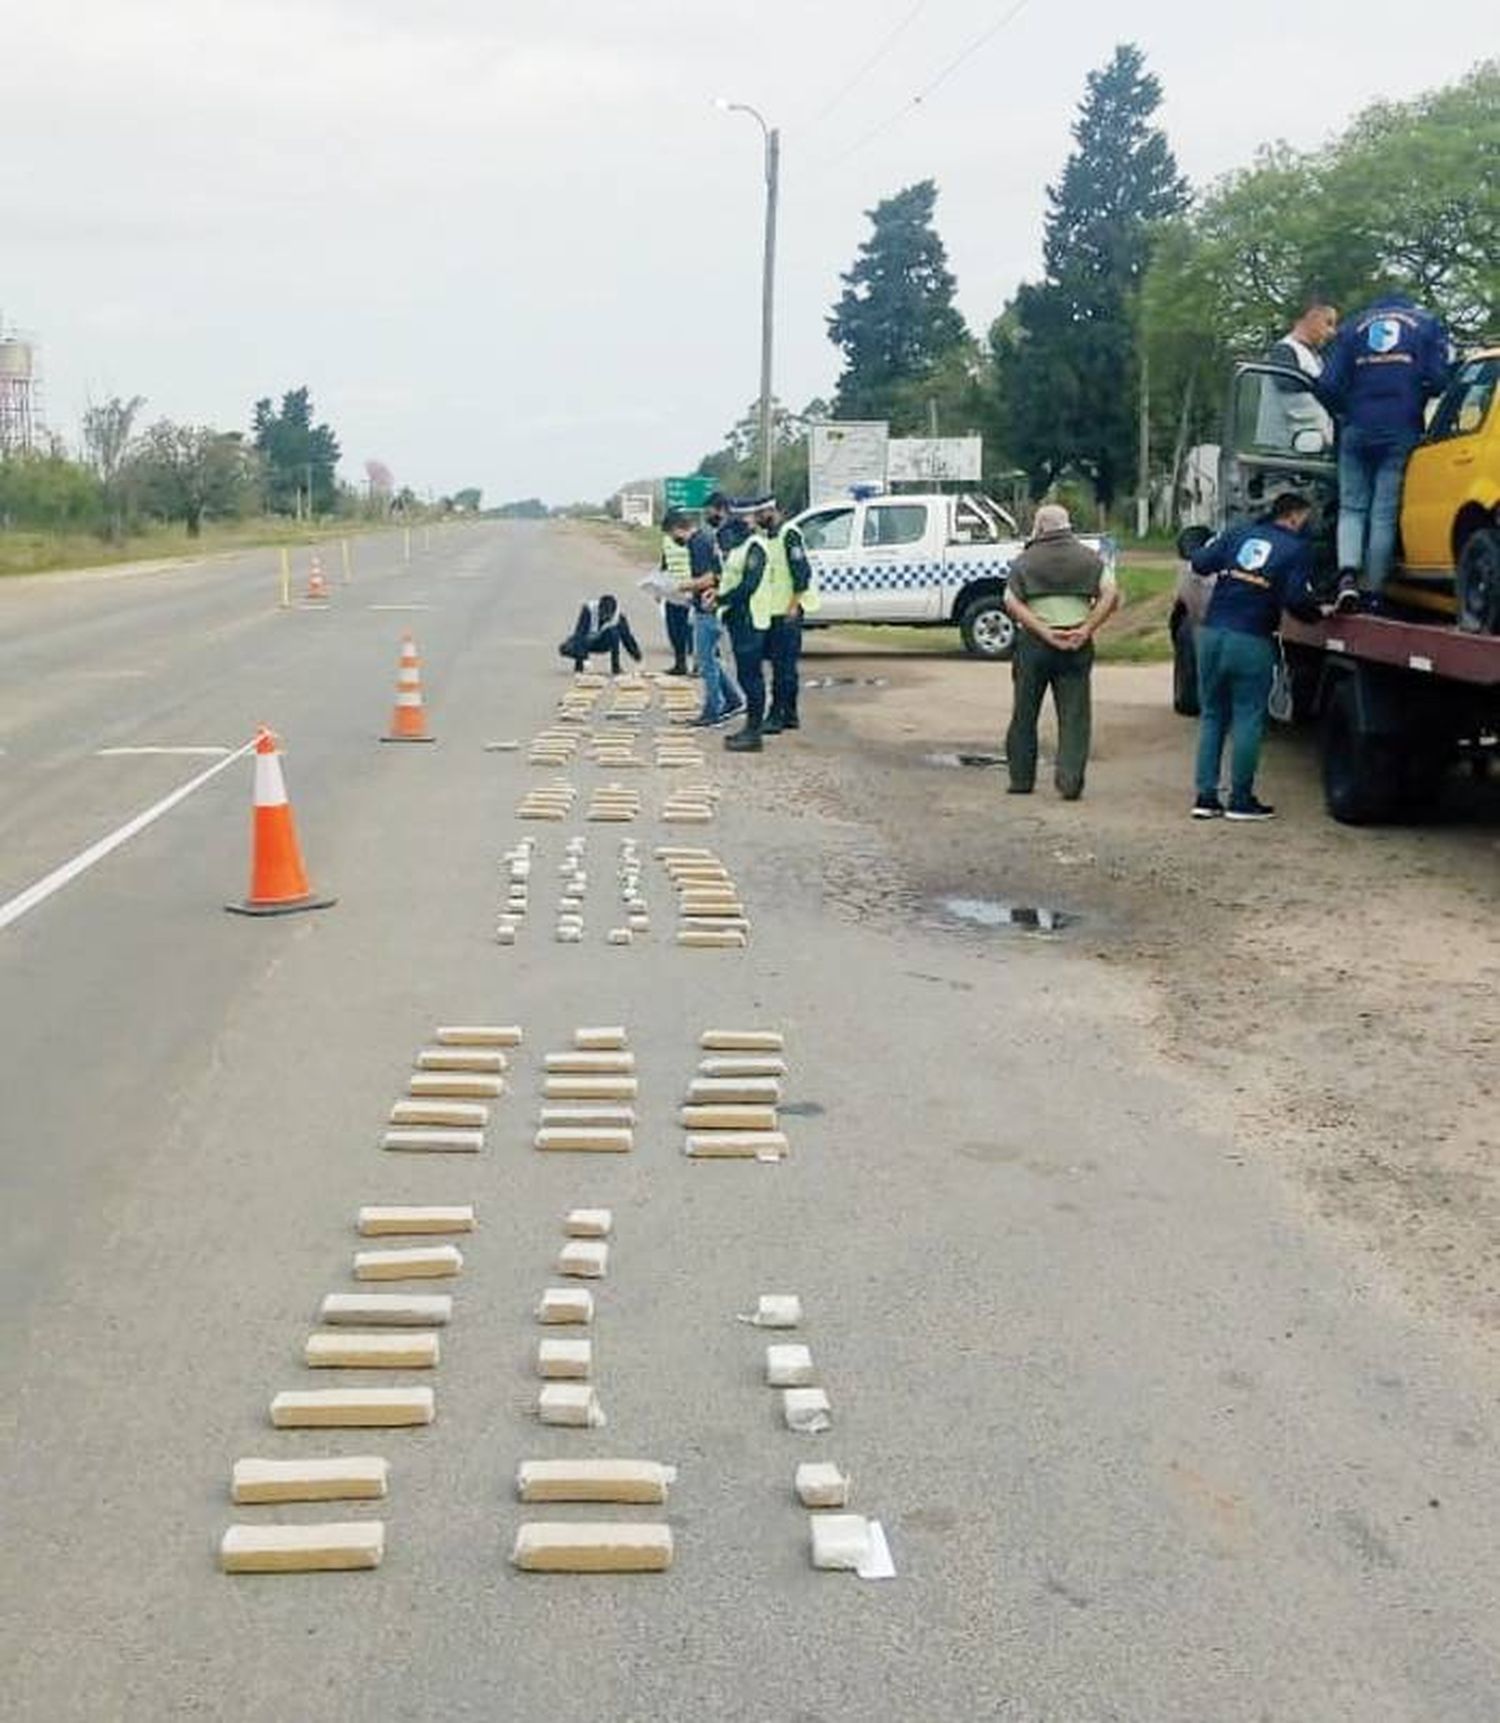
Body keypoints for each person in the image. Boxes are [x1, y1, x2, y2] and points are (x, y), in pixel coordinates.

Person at [1318, 289, 1450, 611]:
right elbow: (1438, 379)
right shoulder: (1427, 324)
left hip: (1357, 427)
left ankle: (1347, 576)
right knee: (1383, 513)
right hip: (1401, 425)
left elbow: (1328, 384)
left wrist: (1347, 411)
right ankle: (1373, 592)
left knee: (1352, 507)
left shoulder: (1352, 327)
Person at [1187, 492, 1316, 821]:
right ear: (1294, 516)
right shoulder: (1297, 549)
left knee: (1213, 715)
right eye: (1306, 517)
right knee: (1247, 717)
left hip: (1212, 634)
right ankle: (1241, 800)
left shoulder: (1239, 533)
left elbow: (1201, 562)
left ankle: (1205, 797)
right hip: (1251, 638)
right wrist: (1321, 611)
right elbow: (1296, 600)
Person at [1000, 503, 1119, 801]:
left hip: (1035, 645)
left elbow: (1011, 602)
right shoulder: (1090, 559)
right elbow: (1111, 595)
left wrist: (1043, 631)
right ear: (1068, 526)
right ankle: (1070, 781)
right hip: (1076, 643)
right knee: (1075, 716)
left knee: (1025, 713)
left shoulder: (1025, 561)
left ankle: (1021, 780)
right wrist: (1087, 628)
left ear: (1039, 527)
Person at [664, 508, 745, 727]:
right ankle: (733, 700)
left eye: (673, 536)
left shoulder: (697, 542)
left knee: (705, 660)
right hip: (711, 605)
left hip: (708, 608)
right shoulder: (707, 538)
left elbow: (709, 578)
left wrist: (680, 587)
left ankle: (713, 710)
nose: (674, 541)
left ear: (678, 529)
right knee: (710, 658)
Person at [750, 495, 818, 735]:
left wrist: (792, 606)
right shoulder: (768, 537)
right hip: (773, 611)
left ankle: (777, 715)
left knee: (783, 667)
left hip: (787, 611)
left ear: (771, 511)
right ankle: (790, 714)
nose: (757, 520)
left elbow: (802, 574)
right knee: (784, 666)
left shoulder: (789, 534)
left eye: (760, 515)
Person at [713, 497, 775, 754]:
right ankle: (750, 728)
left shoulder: (755, 547)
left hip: (751, 619)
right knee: (745, 675)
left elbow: (749, 585)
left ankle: (754, 733)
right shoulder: (739, 547)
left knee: (752, 678)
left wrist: (721, 599)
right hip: (738, 619)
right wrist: (717, 596)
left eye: (742, 517)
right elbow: (730, 580)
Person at [1256, 290, 1338, 449]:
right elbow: (1292, 396)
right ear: (1313, 316)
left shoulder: (1314, 357)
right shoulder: (1284, 351)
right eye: (1328, 323)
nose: (1332, 332)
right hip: (1284, 449)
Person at [559, 593, 641, 676]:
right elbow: (579, 635)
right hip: (587, 641)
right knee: (566, 648)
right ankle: (579, 666)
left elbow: (627, 638)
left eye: (608, 616)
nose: (605, 618)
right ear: (599, 609)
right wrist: (584, 659)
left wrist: (638, 658)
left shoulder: (618, 617)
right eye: (603, 614)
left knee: (614, 633)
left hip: (603, 642)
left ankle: (615, 667)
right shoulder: (588, 610)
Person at [657, 511, 695, 675]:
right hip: (672, 591)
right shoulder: (667, 541)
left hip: (691, 591)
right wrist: (658, 588)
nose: (670, 536)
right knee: (674, 629)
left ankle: (697, 665)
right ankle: (680, 664)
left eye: (670, 532)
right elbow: (664, 564)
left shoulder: (694, 541)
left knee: (691, 630)